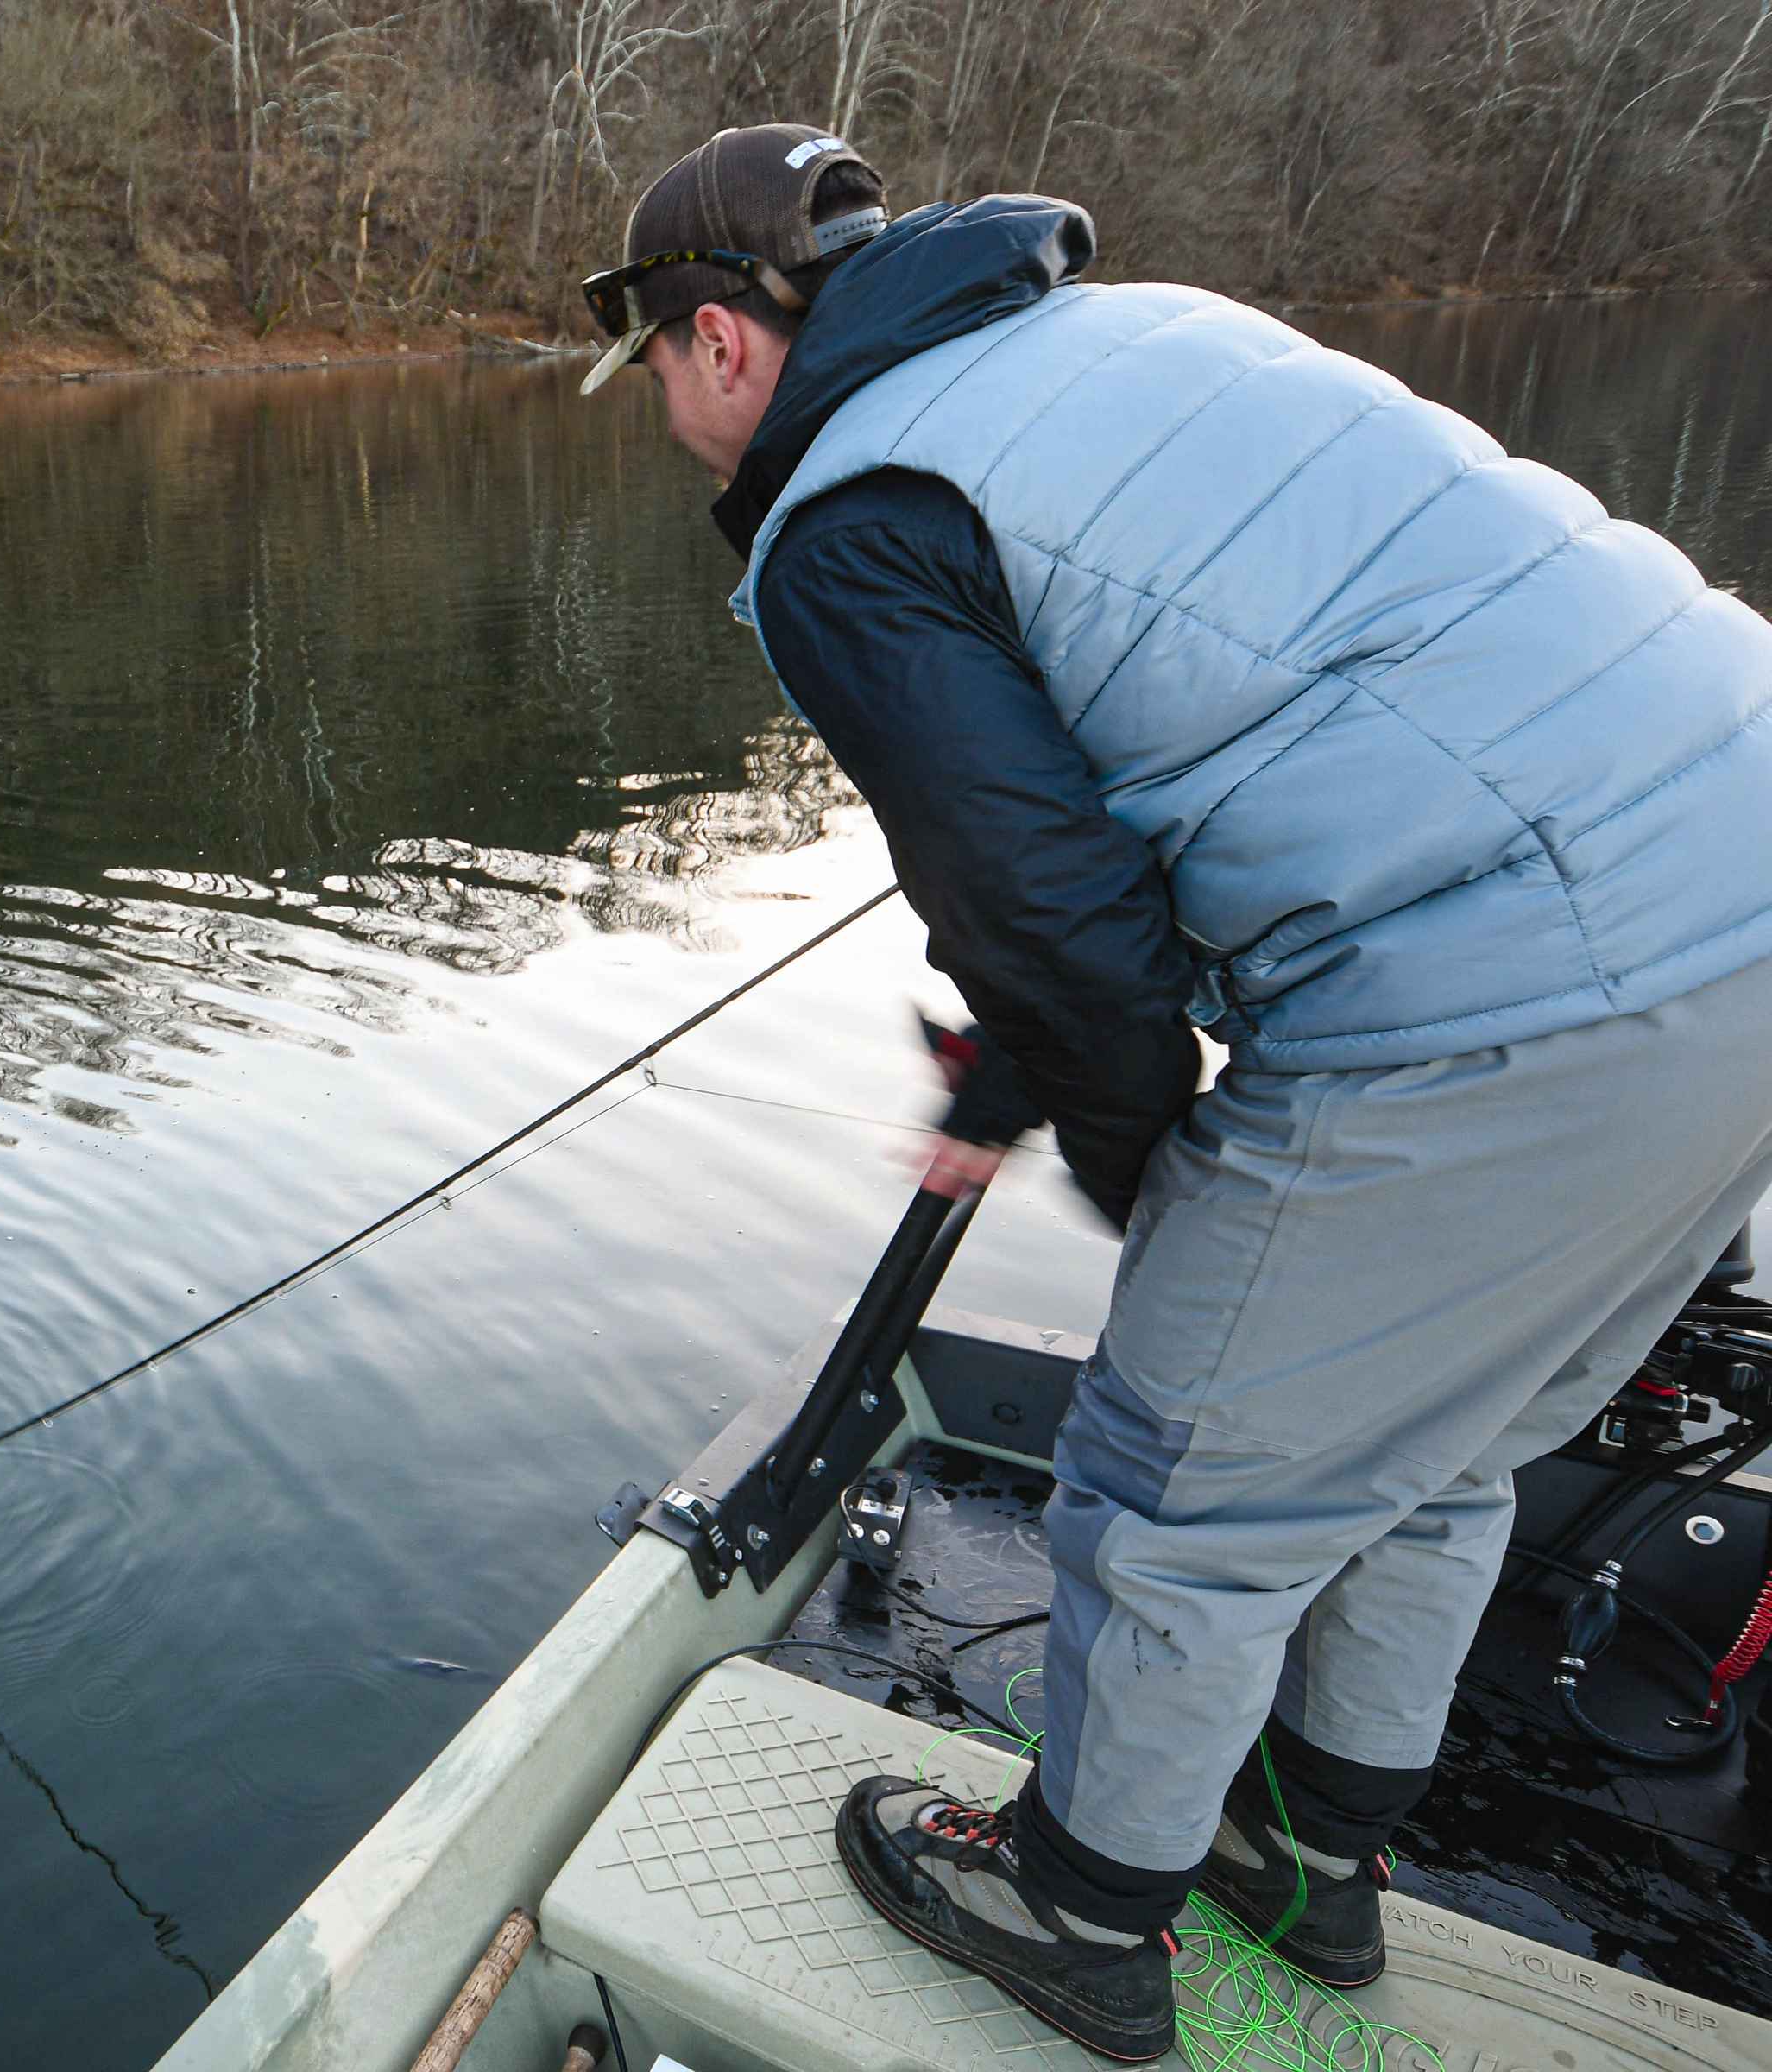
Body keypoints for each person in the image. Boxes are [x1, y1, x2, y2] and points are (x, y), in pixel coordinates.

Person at [579, 123, 1772, 2060]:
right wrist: (1026, 1055)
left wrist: (1155, 1175)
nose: (659, 400)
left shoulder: (850, 530)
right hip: (1741, 880)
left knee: (1174, 1485)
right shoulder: (1130, 333)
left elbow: (1075, 942)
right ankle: (1311, 1865)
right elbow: (1203, 758)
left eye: (645, 363)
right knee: (1435, 1445)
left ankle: (1078, 1903)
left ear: (713, 342)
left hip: (1521, 976)